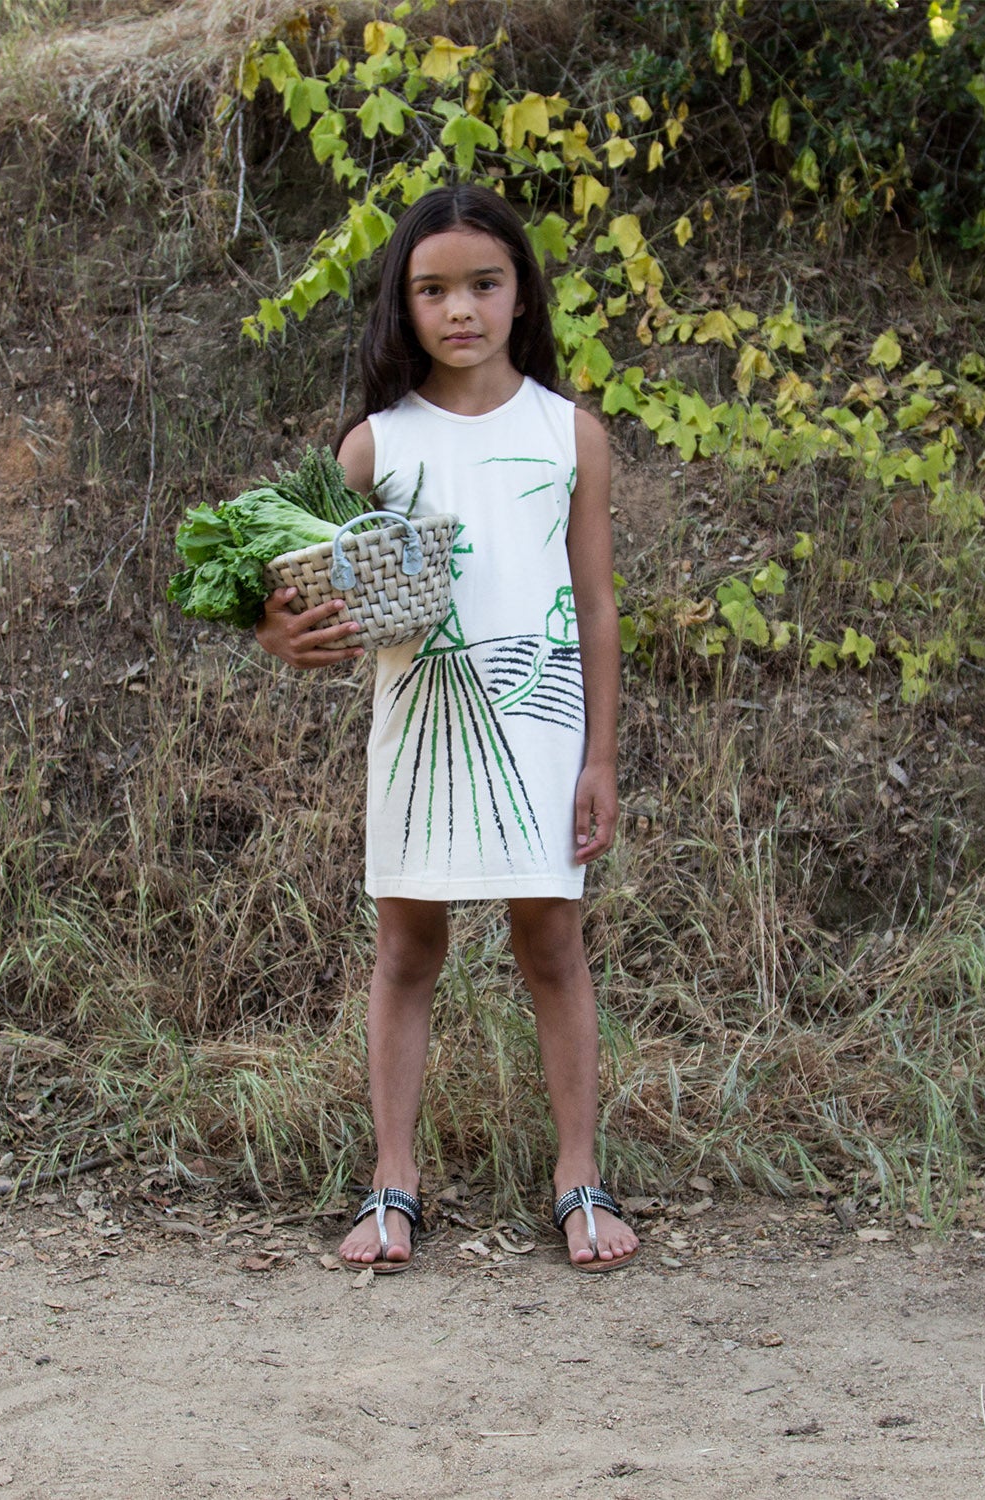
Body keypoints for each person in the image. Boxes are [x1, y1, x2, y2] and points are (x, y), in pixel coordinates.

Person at [255, 184, 638, 1274]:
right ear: (403, 306)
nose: (460, 308)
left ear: (522, 294)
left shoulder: (571, 435)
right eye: (434, 289)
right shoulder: (375, 448)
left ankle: (579, 1175)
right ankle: (393, 1181)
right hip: (419, 726)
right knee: (406, 948)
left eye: (484, 283)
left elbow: (599, 605)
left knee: (552, 943)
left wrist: (602, 755)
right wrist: (274, 634)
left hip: (543, 719)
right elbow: (283, 587)